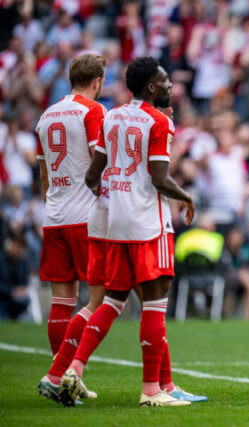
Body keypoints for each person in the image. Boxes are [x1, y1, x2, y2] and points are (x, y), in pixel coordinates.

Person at [59, 57, 196, 407]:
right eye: (166, 82)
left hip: (115, 224)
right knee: (154, 305)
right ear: (152, 87)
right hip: (148, 225)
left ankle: (74, 368)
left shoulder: (112, 115)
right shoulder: (159, 122)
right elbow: (159, 178)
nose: (171, 87)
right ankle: (152, 390)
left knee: (112, 300)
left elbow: (93, 175)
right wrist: (186, 197)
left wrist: (114, 197)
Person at [34, 53, 107, 403]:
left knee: (62, 300)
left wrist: (52, 199)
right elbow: (101, 160)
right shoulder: (93, 111)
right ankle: (65, 370)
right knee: (103, 299)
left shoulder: (47, 115)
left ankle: (60, 374)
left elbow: (44, 171)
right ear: (98, 82)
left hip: (54, 215)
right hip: (85, 216)